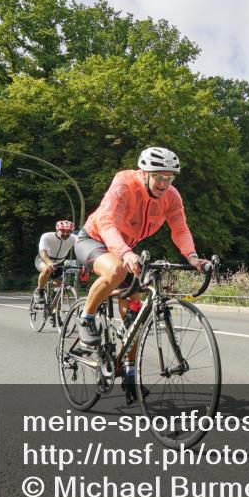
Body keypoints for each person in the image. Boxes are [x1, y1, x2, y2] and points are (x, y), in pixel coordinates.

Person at [74, 147, 207, 351]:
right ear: (144, 173)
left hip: (126, 247)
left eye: (170, 179)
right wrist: (125, 253)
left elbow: (180, 229)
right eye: (158, 177)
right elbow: (107, 223)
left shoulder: (172, 197)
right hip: (94, 239)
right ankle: (87, 318)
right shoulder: (124, 184)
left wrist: (192, 256)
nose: (164, 184)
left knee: (135, 323)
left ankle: (128, 374)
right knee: (117, 269)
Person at [35, 220, 77, 303]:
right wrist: (49, 262)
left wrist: (86, 264)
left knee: (59, 284)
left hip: (59, 262)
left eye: (68, 232)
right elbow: (42, 251)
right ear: (57, 229)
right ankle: (40, 292)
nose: (65, 233)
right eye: (63, 231)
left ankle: (54, 308)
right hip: (43, 259)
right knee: (47, 269)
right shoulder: (47, 236)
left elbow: (82, 249)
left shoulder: (74, 238)